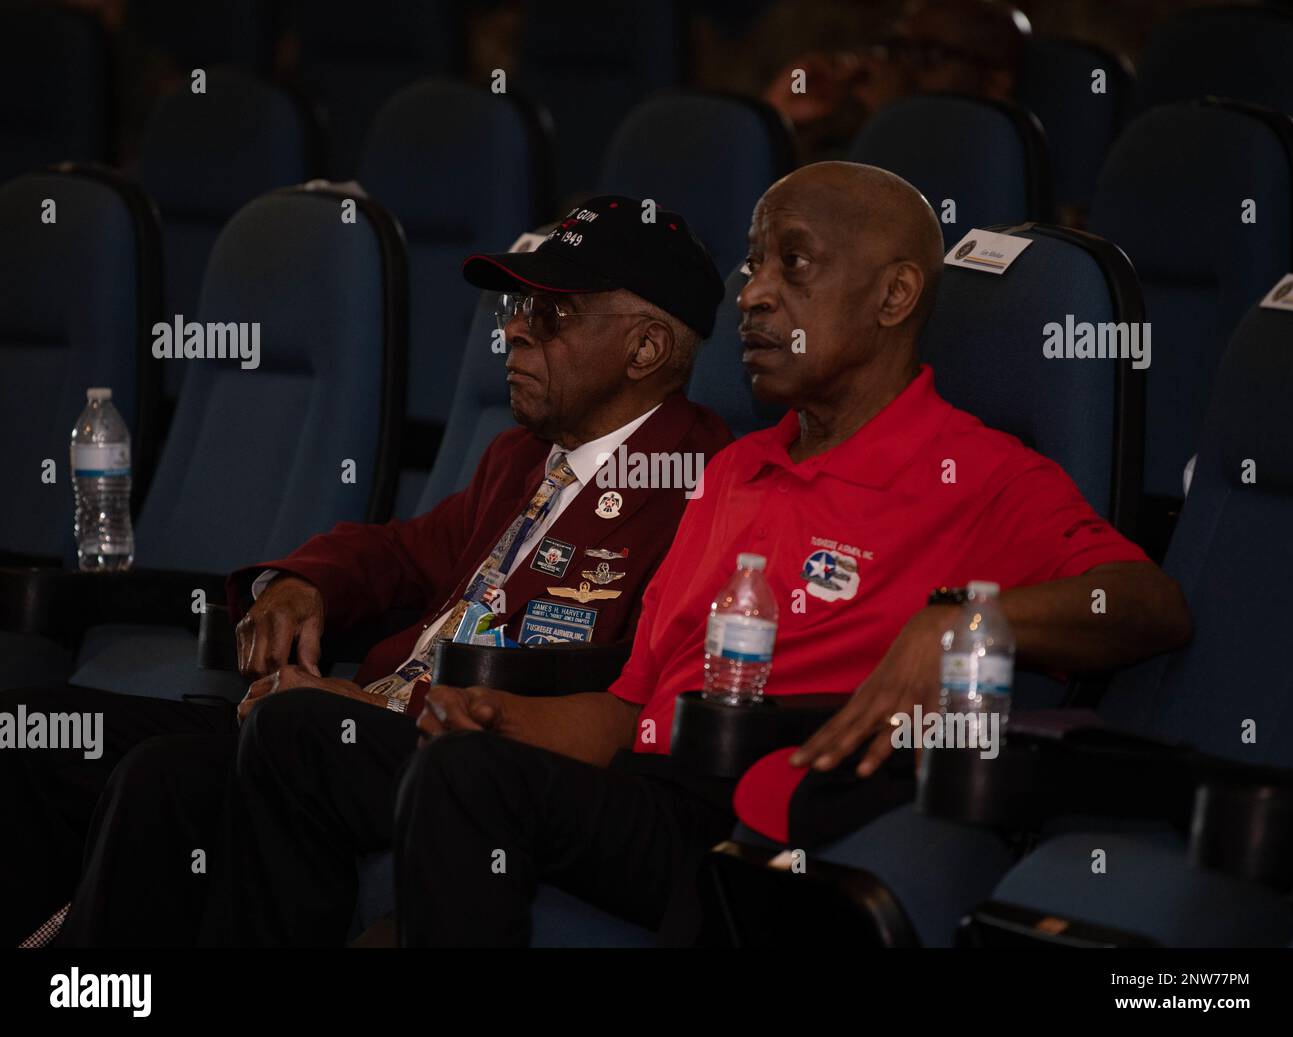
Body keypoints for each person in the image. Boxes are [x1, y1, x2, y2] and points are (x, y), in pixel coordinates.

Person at [389, 162, 1191, 946]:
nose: (754, 292)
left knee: (463, 785)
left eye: (793, 263)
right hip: (660, 797)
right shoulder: (735, 468)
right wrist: (501, 721)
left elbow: (1148, 603)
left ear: (894, 295)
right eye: (754, 262)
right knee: (454, 765)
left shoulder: (979, 471)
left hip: (783, 818)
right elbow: (632, 710)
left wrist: (969, 622)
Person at [9, 195, 731, 947]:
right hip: (344, 721)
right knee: (35, 732)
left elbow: (607, 693)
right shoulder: (520, 456)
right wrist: (300, 582)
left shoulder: (697, 480)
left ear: (645, 350)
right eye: (517, 304)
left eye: (551, 314)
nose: (512, 329)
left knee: (197, 768)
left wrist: (364, 712)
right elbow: (401, 549)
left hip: (456, 758)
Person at [763, 0, 1031, 160]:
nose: (899, 67)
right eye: (896, 47)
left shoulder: (997, 168)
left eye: (928, 54)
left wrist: (893, 119)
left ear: (995, 83)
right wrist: (780, 116)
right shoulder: (842, 139)